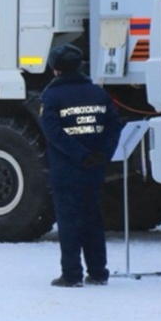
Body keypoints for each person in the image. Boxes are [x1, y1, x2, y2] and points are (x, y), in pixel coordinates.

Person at [38, 43, 123, 287]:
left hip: (67, 170)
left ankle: (71, 274)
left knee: (69, 222)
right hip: (94, 170)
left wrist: (79, 154)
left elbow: (53, 133)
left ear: (56, 69)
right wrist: (101, 155)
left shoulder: (52, 96)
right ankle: (98, 272)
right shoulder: (99, 94)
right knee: (93, 221)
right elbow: (113, 127)